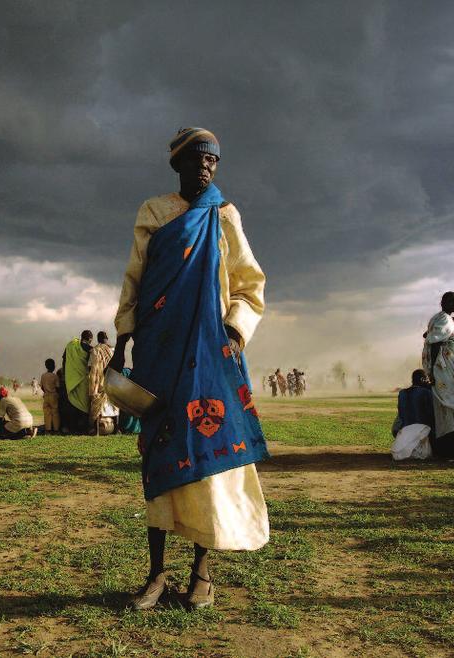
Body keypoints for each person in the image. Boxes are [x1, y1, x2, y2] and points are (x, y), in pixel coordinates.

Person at [110, 127, 269, 611]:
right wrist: (121, 343)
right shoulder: (154, 212)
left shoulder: (224, 215)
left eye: (212, 161)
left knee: (205, 458)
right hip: (157, 353)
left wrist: (235, 333)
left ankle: (201, 571)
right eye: (197, 159)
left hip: (209, 356)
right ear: (177, 165)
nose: (205, 167)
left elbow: (248, 283)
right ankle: (157, 574)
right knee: (159, 456)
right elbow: (134, 278)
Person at [422, 292, 454, 454]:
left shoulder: (438, 318)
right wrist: (431, 370)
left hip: (444, 365)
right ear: (443, 303)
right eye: (453, 301)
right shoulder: (444, 319)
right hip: (441, 367)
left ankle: (445, 442)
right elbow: (435, 343)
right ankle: (448, 443)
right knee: (446, 401)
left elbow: (428, 336)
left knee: (443, 402)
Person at [88, 331, 119, 435]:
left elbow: (91, 366)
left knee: (98, 406)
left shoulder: (95, 350)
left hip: (99, 381)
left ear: (98, 339)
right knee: (115, 405)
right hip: (111, 381)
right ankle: (116, 429)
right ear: (106, 339)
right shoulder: (112, 350)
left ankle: (97, 431)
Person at [62, 331, 92, 433]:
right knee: (84, 405)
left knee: (72, 403)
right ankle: (83, 428)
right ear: (90, 339)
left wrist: (65, 374)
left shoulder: (70, 346)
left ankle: (72, 428)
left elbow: (64, 360)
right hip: (84, 380)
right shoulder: (89, 349)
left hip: (71, 379)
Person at [392, 369, 435, 437]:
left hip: (402, 430)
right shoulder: (425, 392)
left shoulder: (402, 393)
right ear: (422, 379)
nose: (428, 381)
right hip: (420, 431)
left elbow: (401, 412)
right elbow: (431, 414)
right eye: (426, 379)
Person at [39, 358, 61, 434]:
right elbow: (58, 387)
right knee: (55, 412)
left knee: (47, 413)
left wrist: (46, 391)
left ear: (46, 366)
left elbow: (41, 387)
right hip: (54, 396)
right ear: (54, 366)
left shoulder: (43, 376)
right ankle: (56, 429)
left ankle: (48, 429)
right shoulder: (55, 376)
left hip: (46, 396)